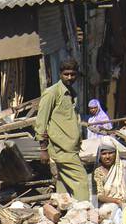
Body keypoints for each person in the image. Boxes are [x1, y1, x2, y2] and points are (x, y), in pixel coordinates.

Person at [35, 60, 89, 201]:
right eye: (66, 74)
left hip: (71, 146)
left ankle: (63, 212)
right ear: (60, 74)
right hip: (62, 147)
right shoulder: (52, 93)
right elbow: (41, 121)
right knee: (81, 181)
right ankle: (87, 213)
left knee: (63, 183)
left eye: (72, 74)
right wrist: (43, 149)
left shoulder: (72, 93)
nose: (70, 77)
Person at [92, 140, 126, 209]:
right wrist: (117, 201)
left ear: (116, 154)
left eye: (110, 153)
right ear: (100, 156)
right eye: (104, 154)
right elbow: (99, 195)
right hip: (110, 205)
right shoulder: (99, 172)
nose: (107, 157)